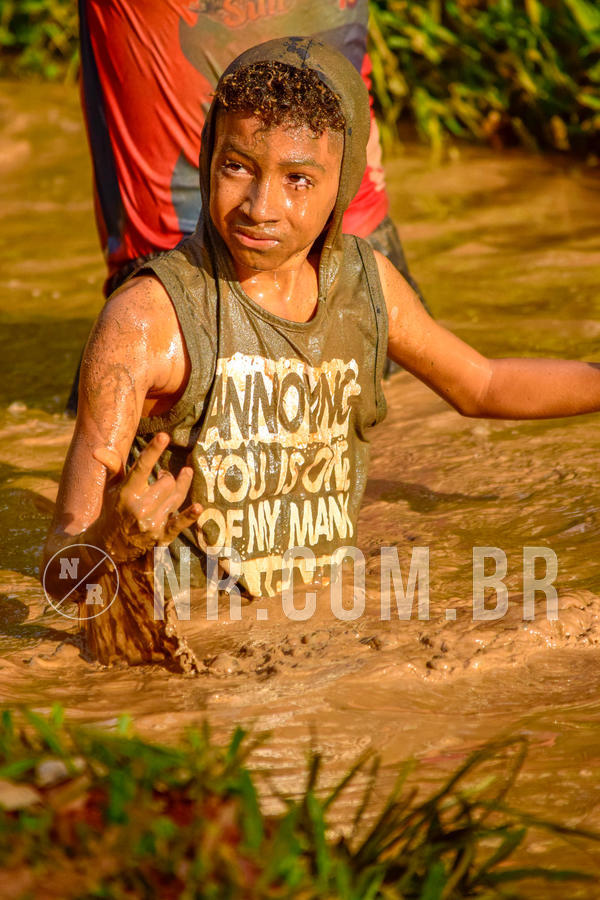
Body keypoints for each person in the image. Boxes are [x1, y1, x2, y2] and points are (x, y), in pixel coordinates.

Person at [44, 38, 600, 665]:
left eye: (298, 179)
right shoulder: (147, 320)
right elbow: (59, 579)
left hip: (327, 621)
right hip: (203, 642)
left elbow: (484, 386)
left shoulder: (365, 287)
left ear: (343, 186)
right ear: (207, 160)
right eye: (238, 167)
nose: (261, 207)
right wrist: (110, 539)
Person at [67, 0, 423, 413]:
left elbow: (479, 386)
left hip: (330, 253)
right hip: (196, 270)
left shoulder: (372, 281)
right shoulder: (141, 316)